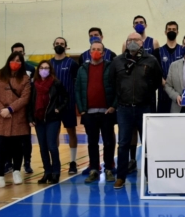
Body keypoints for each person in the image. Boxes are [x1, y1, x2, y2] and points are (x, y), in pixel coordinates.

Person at [109, 32, 162, 189]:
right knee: (123, 143)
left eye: (136, 40)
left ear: (142, 43)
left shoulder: (151, 60)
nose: (132, 42)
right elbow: (112, 82)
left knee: (147, 144)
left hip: (144, 108)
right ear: (126, 42)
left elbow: (157, 81)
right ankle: (121, 177)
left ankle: (148, 176)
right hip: (124, 109)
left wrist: (145, 93)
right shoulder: (117, 61)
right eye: (130, 40)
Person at [0, 52, 31, 190]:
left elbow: (25, 97)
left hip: (17, 116)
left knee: (17, 146)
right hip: (1, 117)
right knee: (0, 146)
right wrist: (1, 109)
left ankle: (17, 171)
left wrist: (10, 109)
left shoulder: (25, 78)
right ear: (8, 60)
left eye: (18, 60)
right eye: (13, 60)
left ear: (22, 63)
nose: (15, 62)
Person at [76, 41, 117, 184]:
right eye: (93, 49)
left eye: (99, 49)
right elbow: (77, 90)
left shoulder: (111, 67)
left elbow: (118, 87)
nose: (96, 51)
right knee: (92, 142)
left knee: (108, 142)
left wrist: (113, 106)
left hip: (107, 112)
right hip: (89, 113)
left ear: (104, 52)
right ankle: (94, 169)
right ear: (89, 51)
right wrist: (82, 109)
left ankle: (109, 169)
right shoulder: (82, 69)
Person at [28, 60, 68, 185]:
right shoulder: (33, 84)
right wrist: (30, 118)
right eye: (42, 68)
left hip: (52, 119)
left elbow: (66, 97)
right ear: (38, 70)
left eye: (46, 68)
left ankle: (56, 172)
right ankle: (47, 172)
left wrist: (59, 109)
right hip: (39, 119)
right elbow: (30, 103)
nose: (44, 70)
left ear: (50, 70)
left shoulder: (56, 83)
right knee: (43, 147)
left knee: (51, 145)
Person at [50, 37, 79, 174]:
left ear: (66, 46)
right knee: (54, 134)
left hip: (68, 104)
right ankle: (55, 163)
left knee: (71, 132)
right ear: (53, 46)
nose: (59, 45)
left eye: (62, 44)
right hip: (52, 106)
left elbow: (77, 83)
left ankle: (73, 162)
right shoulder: (48, 64)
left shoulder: (71, 63)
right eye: (57, 44)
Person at [10, 42, 35, 174]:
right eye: (15, 52)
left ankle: (27, 162)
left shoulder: (31, 69)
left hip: (26, 107)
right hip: (11, 108)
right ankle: (11, 164)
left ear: (24, 53)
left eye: (20, 52)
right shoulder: (6, 71)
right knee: (11, 138)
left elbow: (33, 89)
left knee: (26, 137)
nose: (18, 54)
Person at [153, 21, 183, 113]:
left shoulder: (183, 50)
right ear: (165, 32)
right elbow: (156, 71)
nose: (171, 31)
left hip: (181, 92)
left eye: (174, 29)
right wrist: (166, 86)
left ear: (177, 32)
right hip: (164, 92)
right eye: (169, 29)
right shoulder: (158, 51)